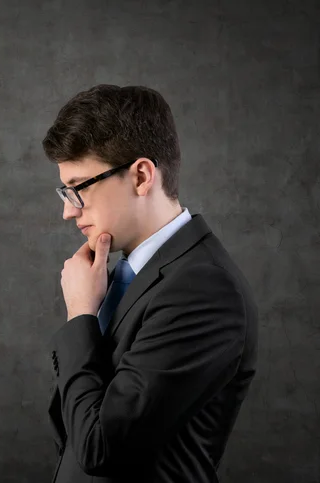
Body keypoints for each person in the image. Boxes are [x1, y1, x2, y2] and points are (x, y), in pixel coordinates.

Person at [41, 85, 258, 483]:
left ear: (141, 175)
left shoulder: (203, 290)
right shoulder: (127, 276)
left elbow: (99, 448)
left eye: (79, 188)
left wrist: (81, 316)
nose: (68, 212)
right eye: (64, 190)